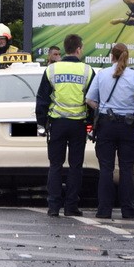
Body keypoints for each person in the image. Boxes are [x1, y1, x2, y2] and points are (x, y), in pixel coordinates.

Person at [86, 43, 134, 220]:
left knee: (106, 169)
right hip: (128, 126)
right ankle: (128, 210)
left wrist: (100, 108)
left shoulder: (102, 75)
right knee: (126, 169)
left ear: (112, 57)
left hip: (107, 125)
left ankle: (104, 210)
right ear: (127, 56)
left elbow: (89, 99)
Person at [35, 33, 94, 217]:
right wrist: (91, 124)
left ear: (65, 48)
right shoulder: (87, 71)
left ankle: (53, 207)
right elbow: (92, 99)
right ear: (78, 49)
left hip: (57, 123)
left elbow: (42, 99)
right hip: (78, 124)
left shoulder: (52, 70)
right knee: (76, 166)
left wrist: (41, 123)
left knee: (55, 165)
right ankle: (71, 206)